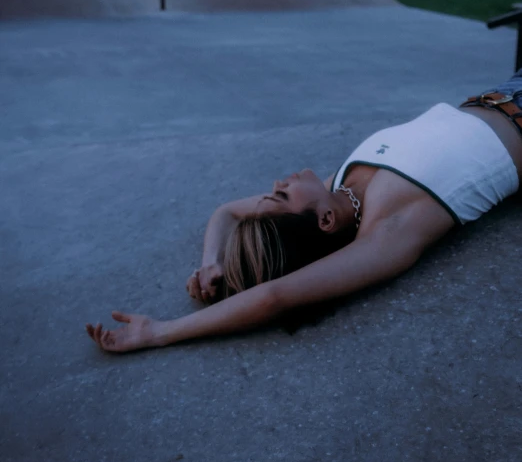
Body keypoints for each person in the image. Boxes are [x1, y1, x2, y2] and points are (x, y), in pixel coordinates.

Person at [86, 69, 522, 354]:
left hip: (500, 89)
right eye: (281, 196)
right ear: (324, 222)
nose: (277, 183)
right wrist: (160, 331)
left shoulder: (339, 190)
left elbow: (226, 212)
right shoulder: (389, 228)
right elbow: (276, 296)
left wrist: (211, 262)